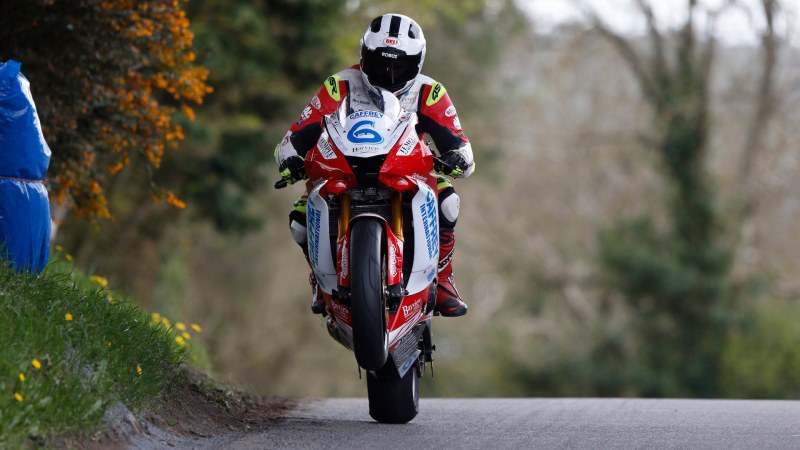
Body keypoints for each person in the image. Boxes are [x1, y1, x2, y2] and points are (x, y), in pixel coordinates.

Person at [274, 14, 474, 317]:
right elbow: (293, 138)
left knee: (449, 204)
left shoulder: (430, 91)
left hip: (411, 172)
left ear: (417, 63)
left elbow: (461, 145)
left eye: (399, 65)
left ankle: (443, 280)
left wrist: (459, 158)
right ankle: (320, 279)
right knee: (299, 223)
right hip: (342, 172)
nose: (389, 72)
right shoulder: (338, 84)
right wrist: (289, 158)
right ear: (363, 56)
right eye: (380, 63)